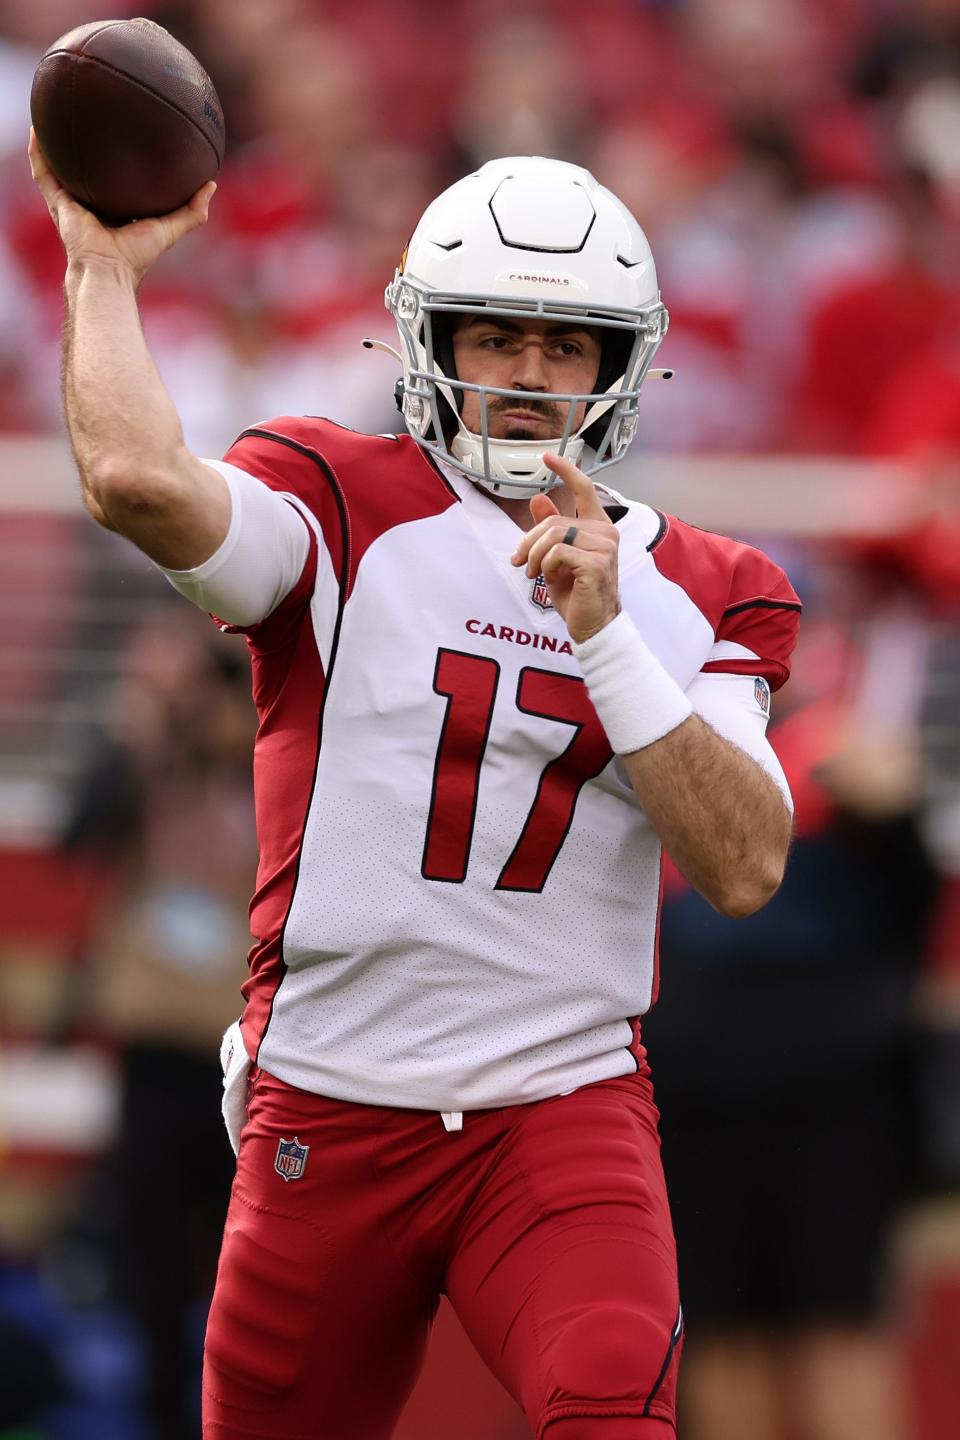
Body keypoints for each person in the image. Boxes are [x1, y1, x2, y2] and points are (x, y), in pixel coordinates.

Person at [30, 140, 799, 1440]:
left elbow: (744, 865)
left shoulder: (709, 584)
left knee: (613, 1410)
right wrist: (100, 268)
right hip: (328, 1099)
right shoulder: (338, 498)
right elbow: (135, 483)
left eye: (567, 347)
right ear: (429, 338)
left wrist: (605, 637)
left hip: (560, 1106)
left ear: (619, 368)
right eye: (497, 338)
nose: (529, 378)